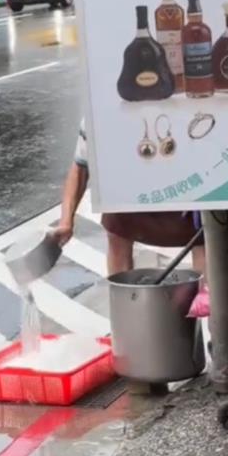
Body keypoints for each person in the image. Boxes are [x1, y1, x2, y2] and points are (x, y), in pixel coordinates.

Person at [54, 118, 210, 318]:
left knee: (209, 237)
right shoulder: (99, 113)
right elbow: (81, 167)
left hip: (185, 190)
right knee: (116, 234)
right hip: (130, 194)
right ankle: (124, 320)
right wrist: (66, 221)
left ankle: (215, 322)